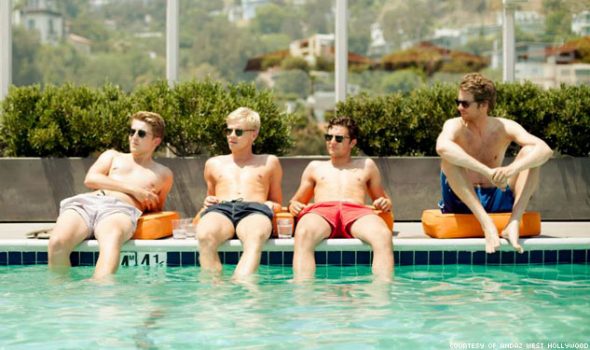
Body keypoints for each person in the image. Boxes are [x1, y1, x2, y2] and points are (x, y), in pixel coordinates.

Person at [436, 73, 553, 254]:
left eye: (465, 103)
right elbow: (442, 147)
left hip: (498, 196)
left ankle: (513, 223)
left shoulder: (504, 126)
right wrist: (487, 171)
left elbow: (545, 150)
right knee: (449, 158)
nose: (459, 107)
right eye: (457, 102)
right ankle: (487, 224)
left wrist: (509, 170)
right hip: (461, 200)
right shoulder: (454, 125)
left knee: (532, 154)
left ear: (484, 105)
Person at [48, 111, 174, 279]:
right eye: (132, 132)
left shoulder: (163, 174)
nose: (134, 137)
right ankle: (60, 298)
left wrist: (147, 204)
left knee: (110, 242)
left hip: (119, 211)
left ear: (156, 141)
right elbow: (91, 179)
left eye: (141, 133)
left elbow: (157, 207)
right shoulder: (113, 156)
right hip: (88, 202)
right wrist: (134, 190)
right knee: (57, 242)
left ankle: (100, 297)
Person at [289, 116, 393, 281]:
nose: (332, 142)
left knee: (382, 235)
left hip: (356, 212)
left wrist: (384, 203)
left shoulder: (366, 165)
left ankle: (380, 297)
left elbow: (383, 199)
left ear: (352, 143)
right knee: (303, 232)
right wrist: (294, 205)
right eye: (328, 137)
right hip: (322, 212)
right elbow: (296, 201)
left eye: (338, 138)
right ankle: (304, 294)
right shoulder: (315, 167)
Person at [196, 107, 283, 278]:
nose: (231, 135)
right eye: (228, 130)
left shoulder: (269, 162)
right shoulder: (213, 163)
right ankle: (214, 294)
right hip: (221, 209)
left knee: (255, 237)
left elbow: (278, 202)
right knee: (205, 236)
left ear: (254, 134)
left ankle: (242, 290)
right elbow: (209, 197)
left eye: (238, 131)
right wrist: (208, 201)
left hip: (255, 210)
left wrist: (273, 205)